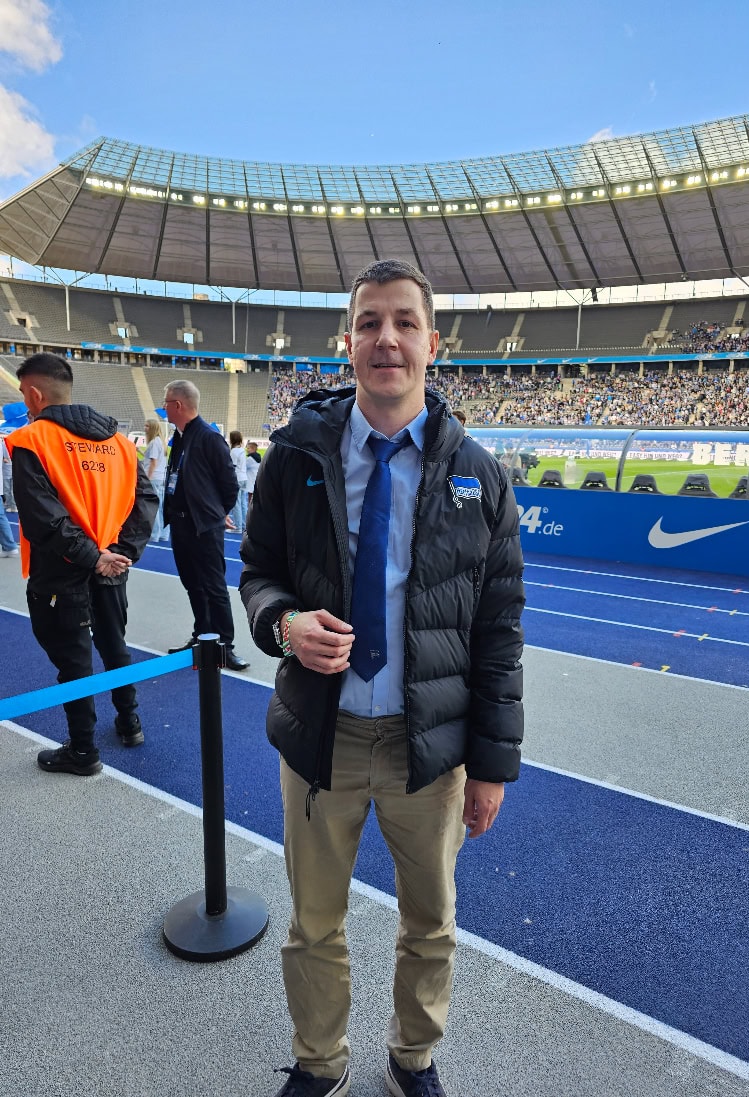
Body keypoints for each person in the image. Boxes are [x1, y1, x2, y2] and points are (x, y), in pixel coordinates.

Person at [240, 259, 524, 1097]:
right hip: (320, 738)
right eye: (369, 322)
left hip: (425, 746)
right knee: (313, 923)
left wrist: (492, 766)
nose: (386, 338)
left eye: (404, 322)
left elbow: (498, 629)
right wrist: (283, 624)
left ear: (433, 345)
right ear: (348, 342)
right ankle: (320, 1061)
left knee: (430, 923)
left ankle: (412, 1057)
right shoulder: (295, 454)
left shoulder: (479, 473)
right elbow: (256, 570)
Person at [6, 352, 158, 775]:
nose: (25, 401)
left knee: (74, 662)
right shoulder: (120, 444)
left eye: (24, 393)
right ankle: (130, 723)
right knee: (115, 647)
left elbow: (42, 519)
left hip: (63, 572)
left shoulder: (32, 440)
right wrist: (119, 554)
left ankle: (84, 750)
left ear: (35, 394)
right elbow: (145, 501)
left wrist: (95, 558)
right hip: (110, 566)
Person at [162, 380, 250, 671]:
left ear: (178, 405)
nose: (163, 408)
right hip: (182, 525)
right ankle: (202, 636)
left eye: (166, 403)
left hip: (204, 527)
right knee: (193, 585)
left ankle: (225, 646)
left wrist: (215, 514)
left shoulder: (208, 438)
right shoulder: (181, 437)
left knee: (213, 587)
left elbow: (228, 484)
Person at [142, 418, 170, 542]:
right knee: (161, 506)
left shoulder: (154, 442)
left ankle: (155, 534)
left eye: (147, 426)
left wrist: (148, 478)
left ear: (152, 428)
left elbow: (153, 462)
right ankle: (164, 533)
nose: (145, 428)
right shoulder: (160, 442)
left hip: (153, 478)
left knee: (154, 507)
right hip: (160, 477)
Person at [228, 429, 249, 533]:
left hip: (237, 478)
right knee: (243, 503)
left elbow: (232, 467)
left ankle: (237, 527)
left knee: (236, 504)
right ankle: (245, 525)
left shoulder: (234, 451)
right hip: (244, 477)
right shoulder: (242, 450)